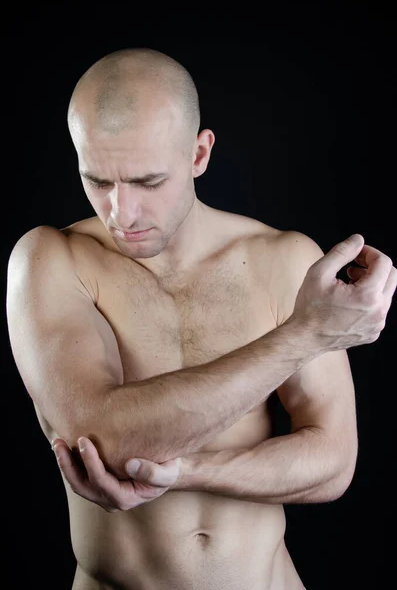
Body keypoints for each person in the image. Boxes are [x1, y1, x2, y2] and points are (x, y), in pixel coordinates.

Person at [6, 47, 396, 590]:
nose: (122, 214)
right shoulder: (50, 260)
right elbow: (101, 437)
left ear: (198, 154)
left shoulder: (282, 260)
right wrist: (302, 336)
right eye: (97, 180)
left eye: (146, 182)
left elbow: (333, 462)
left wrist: (189, 473)